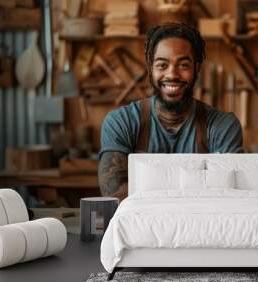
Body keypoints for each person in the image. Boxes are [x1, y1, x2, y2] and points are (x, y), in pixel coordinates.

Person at [98, 23, 243, 200]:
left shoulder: (222, 126)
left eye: (183, 65)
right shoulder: (121, 122)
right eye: (162, 65)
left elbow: (228, 197)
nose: (172, 74)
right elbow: (114, 196)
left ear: (196, 69)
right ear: (150, 69)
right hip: (141, 227)